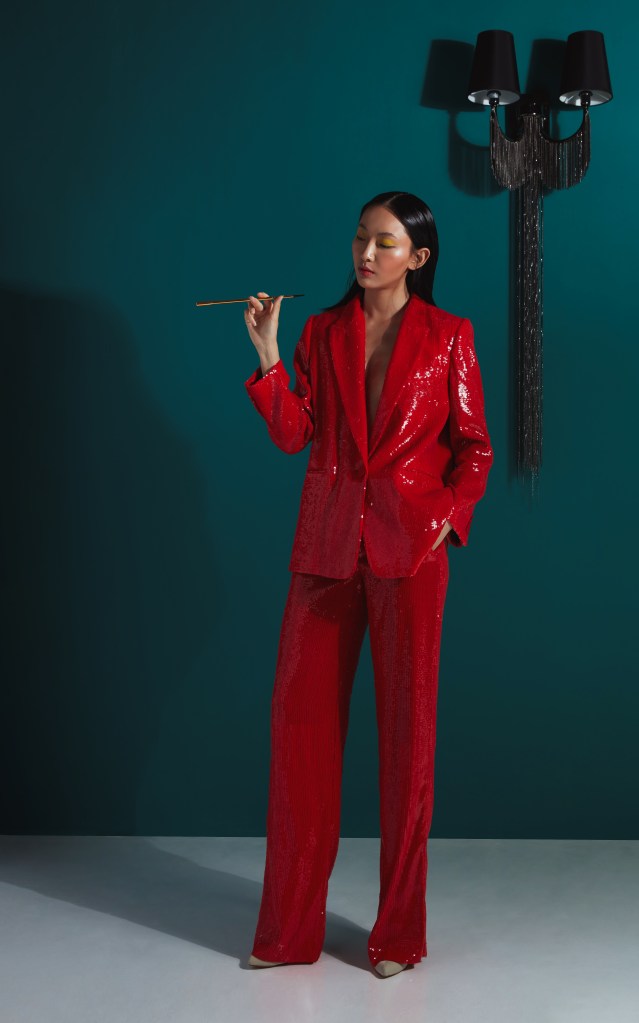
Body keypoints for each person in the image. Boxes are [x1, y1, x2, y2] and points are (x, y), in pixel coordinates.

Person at [242, 191, 493, 977]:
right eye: (360, 238)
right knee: (299, 736)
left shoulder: (449, 335)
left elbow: (475, 448)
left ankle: (397, 936)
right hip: (324, 548)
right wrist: (268, 355)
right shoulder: (321, 331)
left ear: (418, 257)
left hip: (410, 553)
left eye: (384, 242)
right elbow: (295, 435)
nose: (366, 252)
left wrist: (443, 520)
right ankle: (287, 933)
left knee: (406, 744)